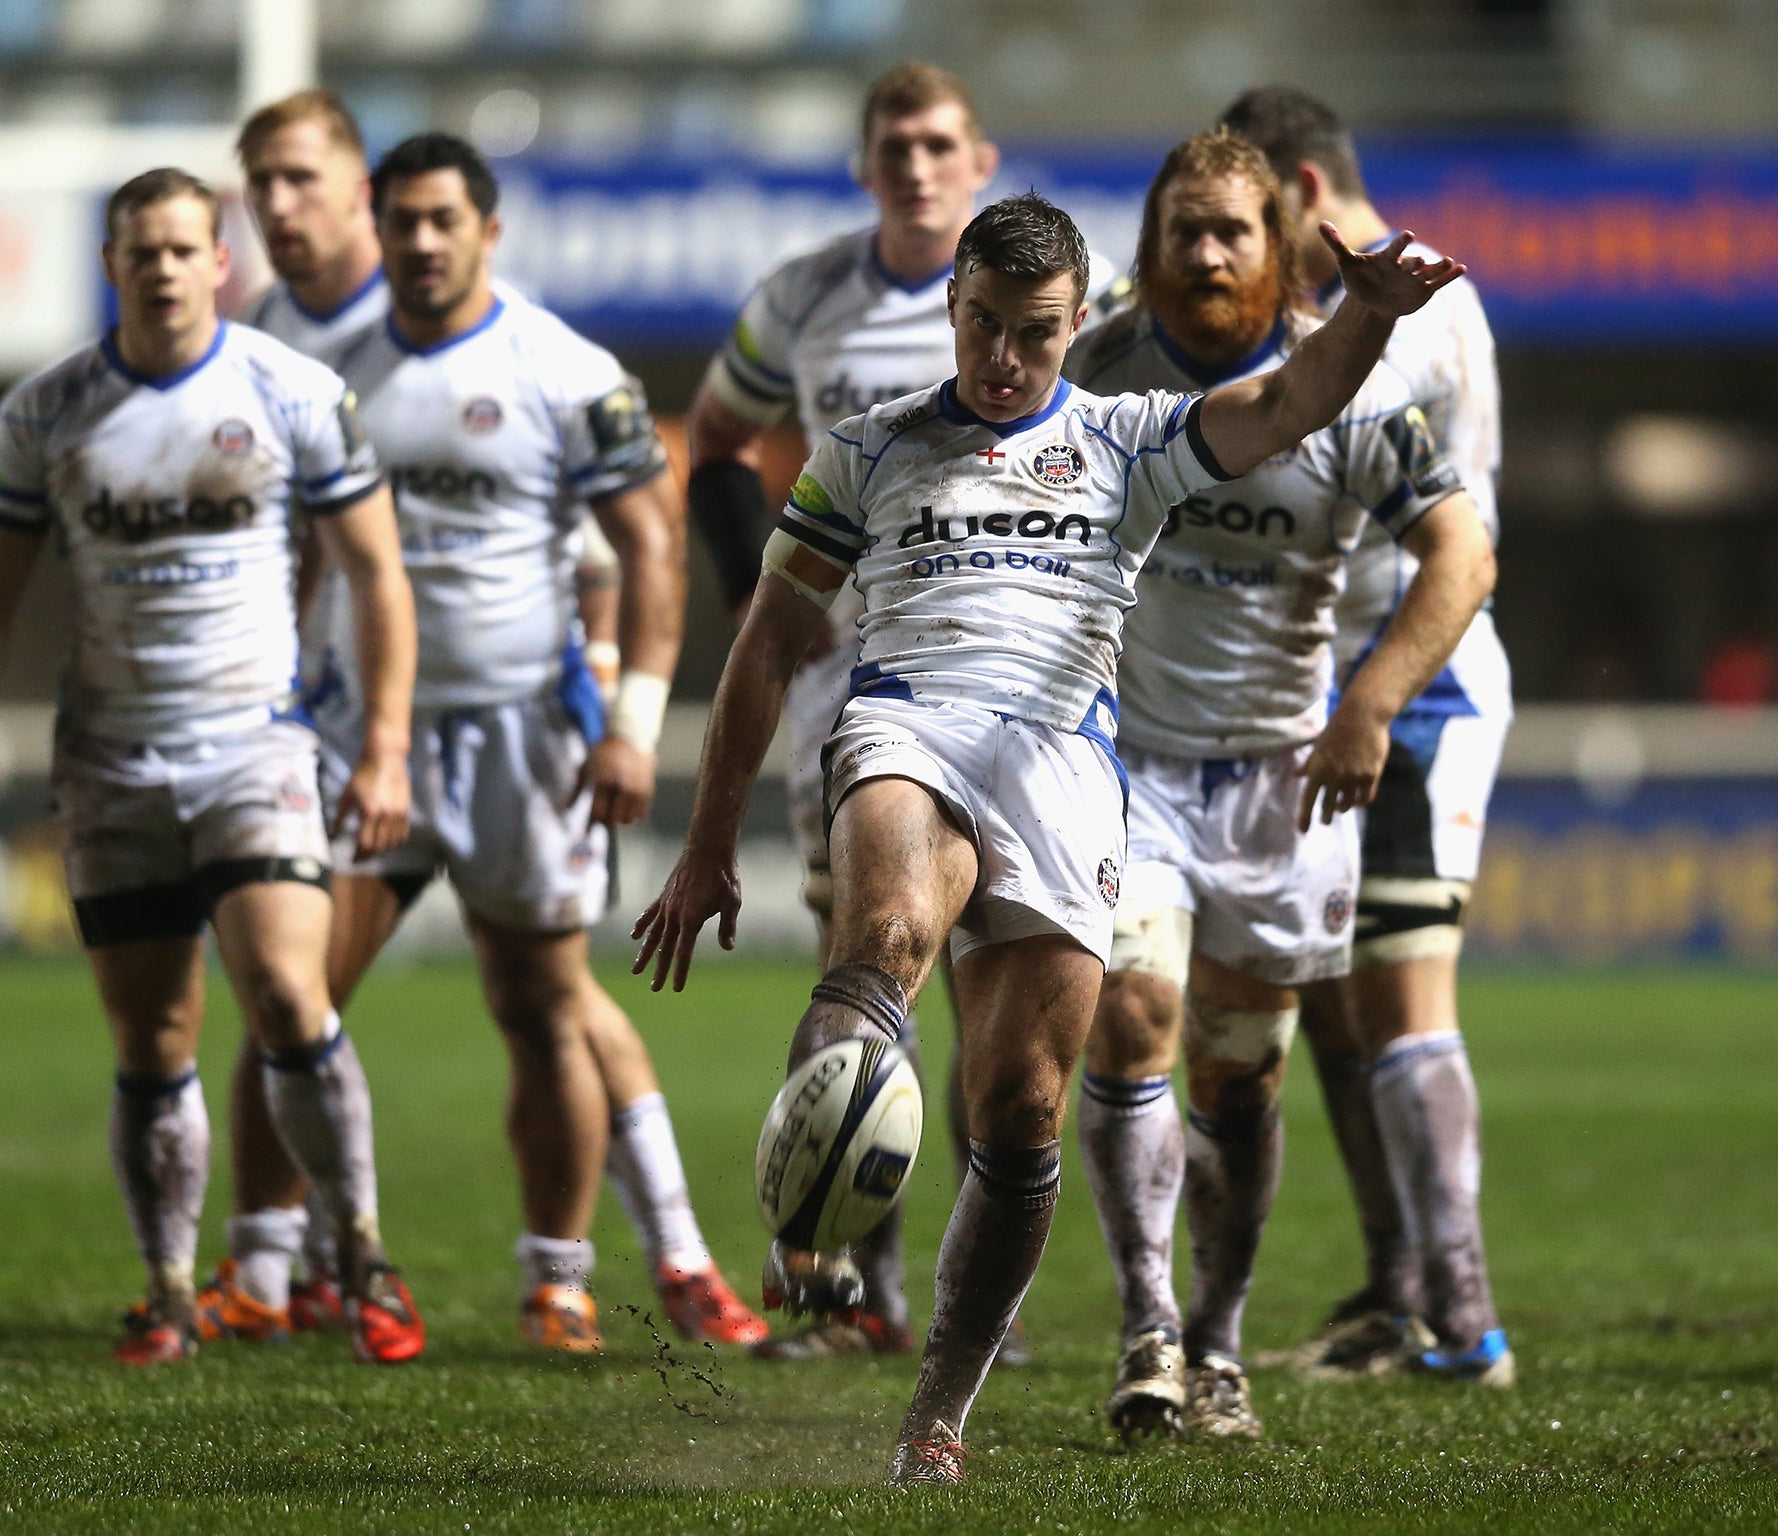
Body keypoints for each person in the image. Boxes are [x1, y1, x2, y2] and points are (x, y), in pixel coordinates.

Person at [635, 191, 1466, 1483]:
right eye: (978, 325)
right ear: (952, 310)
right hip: (910, 724)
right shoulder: (869, 448)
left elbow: (1292, 404)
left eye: (1030, 332)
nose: (1000, 357)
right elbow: (768, 638)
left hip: (1067, 772)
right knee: (891, 929)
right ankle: (815, 1208)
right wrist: (708, 842)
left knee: (1020, 1111)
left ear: (1076, 324)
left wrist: (1362, 311)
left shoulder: (1131, 439)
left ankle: (935, 1418)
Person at [204, 94, 723, 1347]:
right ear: (375, 233)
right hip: (353, 733)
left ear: (487, 230)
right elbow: (295, 550)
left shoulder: (564, 370)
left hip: (523, 737)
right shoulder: (320, 375)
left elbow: (653, 548)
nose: (423, 242)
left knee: (541, 1007)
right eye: (402, 223)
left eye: (445, 221)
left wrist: (632, 722)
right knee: (292, 990)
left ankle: (556, 1275)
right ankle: (269, 1270)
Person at [0, 167, 424, 1365]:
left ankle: (359, 1252)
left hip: (255, 744)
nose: (161, 267)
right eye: (139, 250)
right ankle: (167, 1289)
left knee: (292, 999)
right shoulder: (44, 414)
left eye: (183, 248)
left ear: (218, 262)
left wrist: (386, 740)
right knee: (152, 1043)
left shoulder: (292, 391)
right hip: (109, 763)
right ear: (112, 265)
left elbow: (376, 573)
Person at [1063, 129, 1498, 1442]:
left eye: (1230, 232)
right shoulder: (1096, 370)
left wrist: (1369, 704)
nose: (1204, 252)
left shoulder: (1358, 395)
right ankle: (1145, 1330)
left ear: (1275, 247)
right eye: (1183, 228)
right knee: (1135, 1018)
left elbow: (1461, 557)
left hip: (1278, 782)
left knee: (1241, 1080)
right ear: (1149, 243)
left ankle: (1217, 1344)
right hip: (1126, 763)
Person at [689, 60, 1052, 1363]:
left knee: (987, 982)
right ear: (864, 163)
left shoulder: (1048, 290)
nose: (913, 161)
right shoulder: (799, 298)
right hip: (853, 682)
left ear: (979, 159)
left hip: (1018, 680)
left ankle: (957, 1291)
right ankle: (845, 1290)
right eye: (892, 142)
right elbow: (719, 439)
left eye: (937, 141)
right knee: (868, 958)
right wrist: (758, 596)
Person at [1221, 85, 1516, 1385]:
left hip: (1415, 685)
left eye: (1249, 207)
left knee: (1400, 993)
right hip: (1330, 693)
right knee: (1336, 1005)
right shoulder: (1391, 299)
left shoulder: (1402, 312)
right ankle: (1399, 1292)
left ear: (1300, 189)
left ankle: (1466, 1321)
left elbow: (1315, 443)